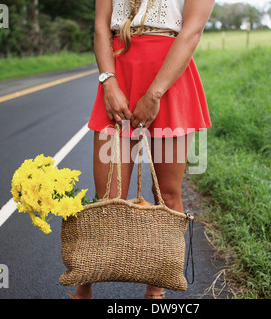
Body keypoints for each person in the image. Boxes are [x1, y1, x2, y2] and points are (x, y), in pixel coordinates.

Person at [70, 0, 214, 299]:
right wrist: (109, 83)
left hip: (169, 78)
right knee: (107, 198)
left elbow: (191, 32)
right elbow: (101, 26)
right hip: (119, 74)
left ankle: (156, 289)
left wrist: (155, 93)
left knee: (169, 194)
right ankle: (84, 288)